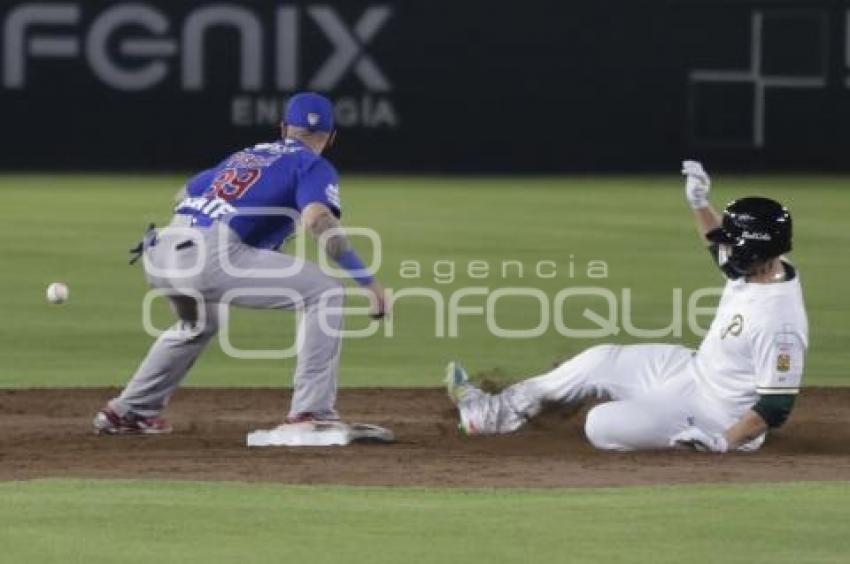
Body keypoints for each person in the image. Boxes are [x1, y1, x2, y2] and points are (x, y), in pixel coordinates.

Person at [446, 161, 808, 452]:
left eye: (734, 240)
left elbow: (775, 408)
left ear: (755, 249)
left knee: (600, 424)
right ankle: (488, 415)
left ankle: (690, 437)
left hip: (716, 414)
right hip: (692, 370)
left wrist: (723, 441)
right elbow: (721, 251)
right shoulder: (760, 268)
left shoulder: (780, 324)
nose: (723, 243)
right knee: (599, 359)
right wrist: (699, 203)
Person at [94, 92, 387, 435]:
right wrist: (368, 281)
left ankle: (128, 411)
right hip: (209, 257)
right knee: (326, 292)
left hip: (162, 249)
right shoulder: (312, 164)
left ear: (283, 128)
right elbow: (318, 221)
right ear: (333, 137)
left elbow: (183, 194)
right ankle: (311, 414)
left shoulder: (248, 154)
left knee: (199, 323)